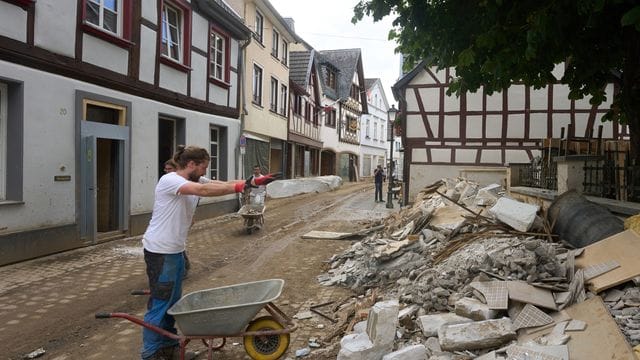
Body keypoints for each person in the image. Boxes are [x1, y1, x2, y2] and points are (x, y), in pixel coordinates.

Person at [141, 146, 279, 360]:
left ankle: (168, 346)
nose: (205, 173)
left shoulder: (194, 179)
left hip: (175, 250)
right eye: (203, 167)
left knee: (173, 302)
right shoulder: (171, 180)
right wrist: (244, 185)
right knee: (160, 303)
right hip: (160, 251)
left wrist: (252, 182)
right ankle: (150, 354)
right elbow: (204, 191)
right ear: (191, 165)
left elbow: (218, 184)